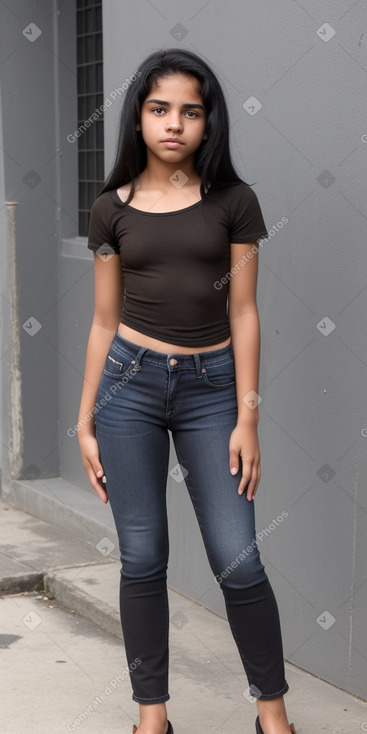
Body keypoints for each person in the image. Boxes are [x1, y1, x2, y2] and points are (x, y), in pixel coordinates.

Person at [77, 48, 297, 734]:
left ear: (208, 122)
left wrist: (248, 416)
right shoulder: (110, 210)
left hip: (212, 390)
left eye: (190, 111)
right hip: (127, 387)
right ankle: (152, 719)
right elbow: (104, 321)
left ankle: (271, 715)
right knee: (142, 557)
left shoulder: (234, 202)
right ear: (138, 117)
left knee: (238, 558)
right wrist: (84, 422)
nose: (174, 123)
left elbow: (243, 312)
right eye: (159, 108)